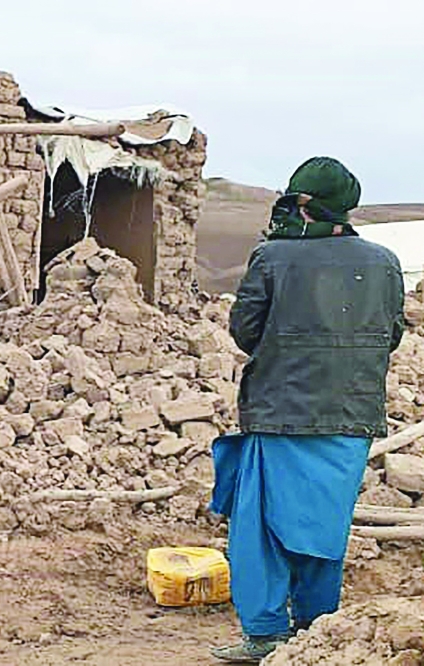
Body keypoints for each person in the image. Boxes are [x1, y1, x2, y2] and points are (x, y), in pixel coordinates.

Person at [209, 157, 405, 663]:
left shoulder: (272, 256)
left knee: (261, 529)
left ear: (300, 203)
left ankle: (266, 633)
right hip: (351, 418)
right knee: (323, 526)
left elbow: (245, 331)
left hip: (280, 414)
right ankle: (317, 632)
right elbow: (392, 335)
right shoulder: (384, 262)